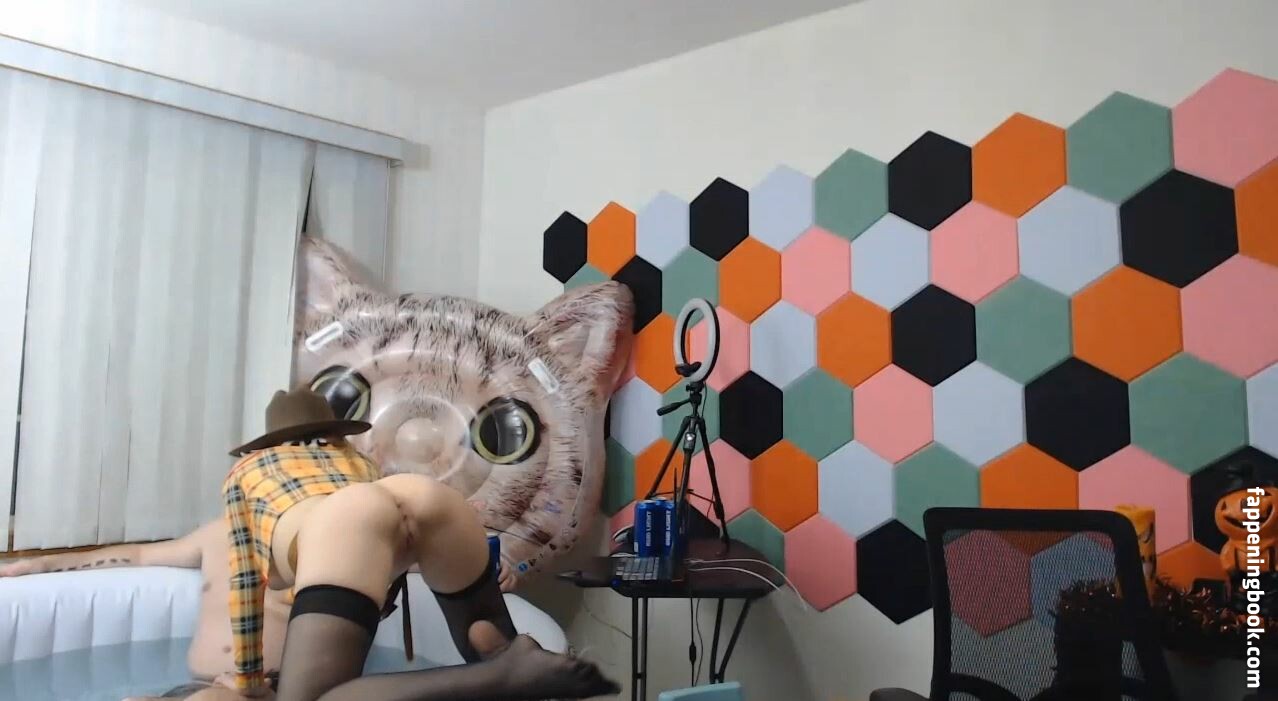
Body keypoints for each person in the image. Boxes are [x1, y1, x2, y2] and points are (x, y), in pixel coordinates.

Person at [221, 385, 618, 701]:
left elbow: (245, 582)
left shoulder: (246, 472)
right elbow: (383, 534)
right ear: (334, 431)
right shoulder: (355, 460)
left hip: (344, 522)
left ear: (267, 441)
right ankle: (506, 657)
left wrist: (250, 681)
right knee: (491, 644)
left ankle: (506, 672)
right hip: (431, 498)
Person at [0, 519, 291, 700]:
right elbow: (139, 555)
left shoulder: (307, 551)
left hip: (261, 691)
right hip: (191, 687)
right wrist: (45, 564)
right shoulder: (224, 532)